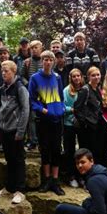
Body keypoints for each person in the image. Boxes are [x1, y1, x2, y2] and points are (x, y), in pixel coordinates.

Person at [55, 148, 107, 214]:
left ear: (91, 161)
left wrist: (87, 206)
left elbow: (99, 213)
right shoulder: (100, 171)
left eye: (83, 162)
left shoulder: (94, 181)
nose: (80, 166)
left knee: (60, 209)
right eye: (77, 163)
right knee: (86, 202)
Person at [29, 50, 65, 195]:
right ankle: (47, 179)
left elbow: (61, 97)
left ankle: (55, 181)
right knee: (45, 149)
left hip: (57, 119)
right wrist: (42, 110)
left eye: (51, 59)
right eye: (45, 59)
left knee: (56, 149)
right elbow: (31, 100)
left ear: (54, 61)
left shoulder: (57, 77)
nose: (48, 62)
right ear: (42, 61)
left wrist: (61, 108)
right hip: (43, 120)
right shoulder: (35, 78)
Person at [0, 61, 29, 203]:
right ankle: (9, 188)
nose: (3, 73)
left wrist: (20, 131)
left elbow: (26, 110)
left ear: (14, 72)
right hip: (4, 129)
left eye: (6, 71)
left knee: (18, 160)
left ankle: (20, 190)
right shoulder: (1, 89)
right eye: (2, 71)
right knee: (9, 160)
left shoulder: (20, 88)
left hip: (16, 130)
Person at [74, 67, 107, 169]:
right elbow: (77, 109)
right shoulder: (85, 90)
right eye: (93, 75)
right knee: (87, 153)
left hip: (97, 126)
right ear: (88, 77)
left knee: (96, 152)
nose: (96, 77)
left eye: (98, 75)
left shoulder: (97, 89)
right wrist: (85, 123)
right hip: (87, 128)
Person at [62, 68, 84, 188]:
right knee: (69, 150)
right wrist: (72, 110)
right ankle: (71, 176)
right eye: (74, 76)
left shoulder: (84, 90)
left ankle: (81, 175)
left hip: (81, 124)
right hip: (68, 124)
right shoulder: (66, 90)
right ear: (71, 78)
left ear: (81, 77)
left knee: (82, 150)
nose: (76, 78)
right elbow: (62, 106)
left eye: (78, 76)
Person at [20, 40, 43, 151]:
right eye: (32, 47)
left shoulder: (45, 61)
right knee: (32, 118)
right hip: (31, 94)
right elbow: (21, 76)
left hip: (44, 94)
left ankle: (42, 140)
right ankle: (33, 141)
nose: (34, 49)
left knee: (43, 117)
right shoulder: (27, 62)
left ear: (41, 48)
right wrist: (28, 84)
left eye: (36, 47)